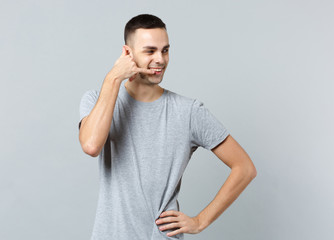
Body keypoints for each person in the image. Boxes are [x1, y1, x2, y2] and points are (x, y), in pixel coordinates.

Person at [78, 14, 257, 240]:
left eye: (165, 50)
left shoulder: (188, 111)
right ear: (127, 54)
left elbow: (245, 167)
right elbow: (91, 145)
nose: (160, 59)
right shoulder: (97, 100)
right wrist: (114, 78)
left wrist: (200, 221)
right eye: (150, 51)